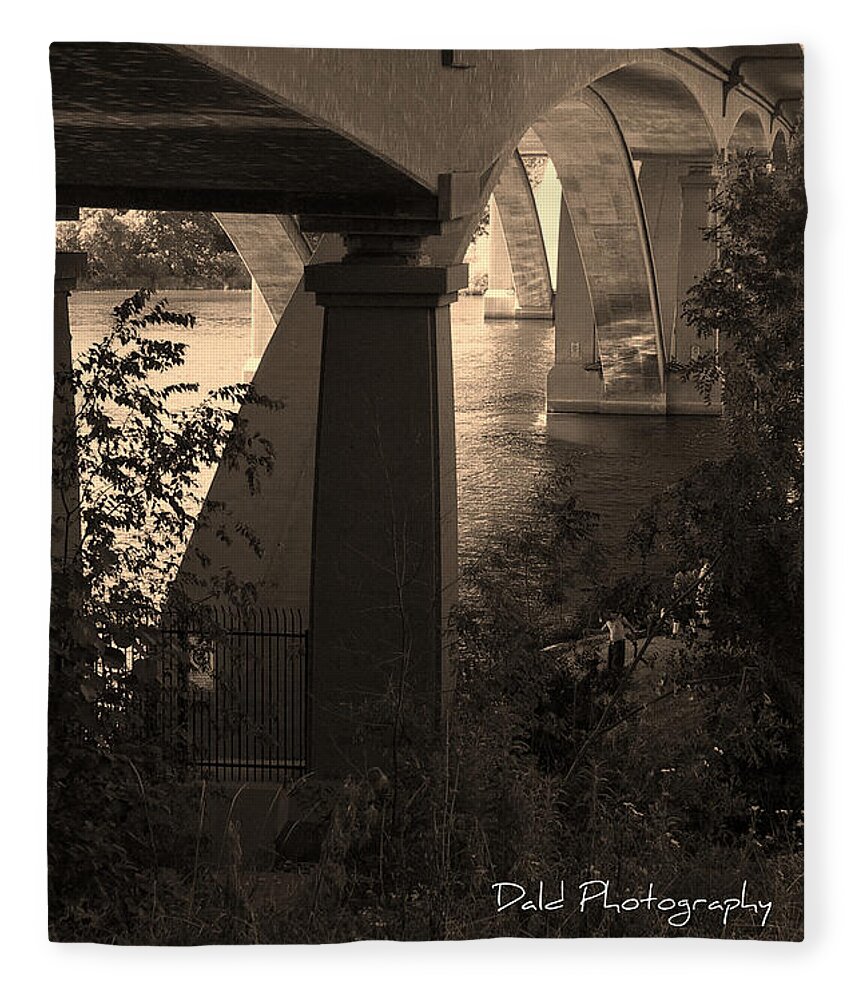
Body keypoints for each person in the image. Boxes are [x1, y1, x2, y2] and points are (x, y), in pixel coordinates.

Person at [602, 611, 634, 675]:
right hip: (612, 643)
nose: (610, 615)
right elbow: (602, 630)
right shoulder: (608, 622)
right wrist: (591, 631)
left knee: (617, 661)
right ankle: (611, 677)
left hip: (619, 642)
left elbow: (629, 625)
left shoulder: (620, 619)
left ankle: (618, 675)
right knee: (610, 662)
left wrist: (633, 631)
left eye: (612, 613)